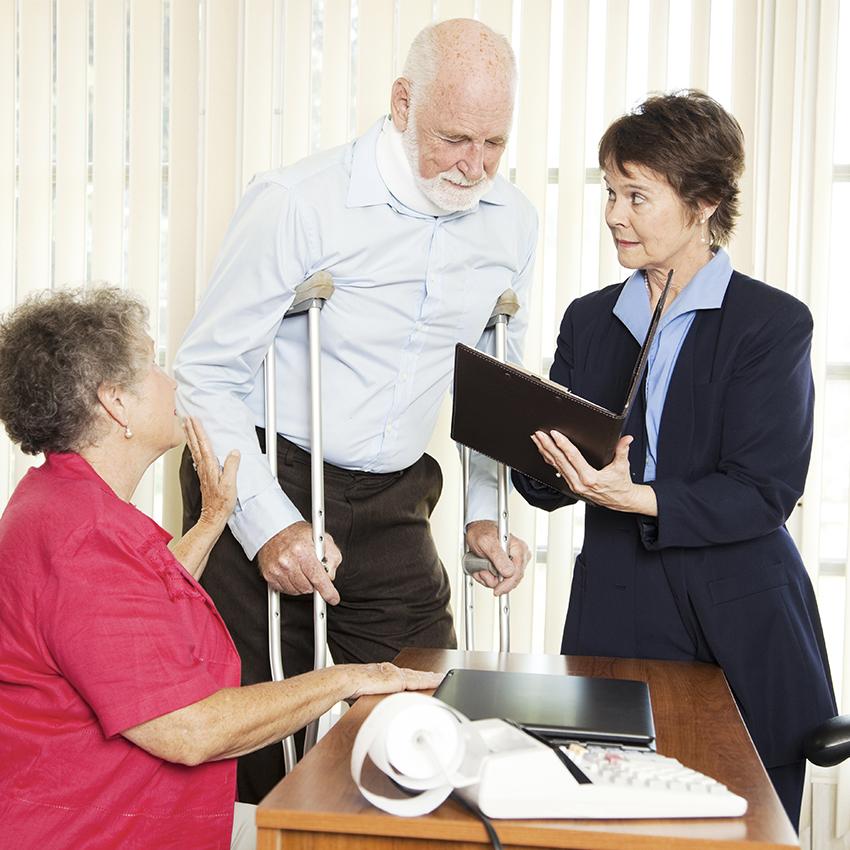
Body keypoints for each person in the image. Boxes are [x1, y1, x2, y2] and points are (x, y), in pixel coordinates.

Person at [175, 18, 536, 802]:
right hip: (268, 471)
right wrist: (267, 522)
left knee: (422, 718)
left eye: (494, 145)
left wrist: (484, 512)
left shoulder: (510, 223)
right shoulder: (299, 203)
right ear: (402, 103)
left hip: (395, 491)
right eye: (455, 138)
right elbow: (205, 372)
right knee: (255, 733)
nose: (474, 167)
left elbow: (493, 381)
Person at [0, 287, 442, 850]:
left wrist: (212, 520)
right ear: (115, 402)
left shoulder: (61, 501)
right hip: (97, 829)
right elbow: (190, 730)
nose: (172, 380)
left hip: (119, 810)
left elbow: (126, 615)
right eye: (155, 364)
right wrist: (351, 676)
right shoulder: (83, 538)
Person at [512, 90, 836, 828]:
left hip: (738, 620)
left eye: (637, 195)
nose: (613, 215)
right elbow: (553, 483)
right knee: (606, 825)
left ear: (704, 202)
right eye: (610, 191)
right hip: (616, 615)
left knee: (746, 833)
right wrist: (529, 445)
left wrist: (641, 498)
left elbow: (764, 492)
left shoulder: (772, 323)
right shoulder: (591, 319)